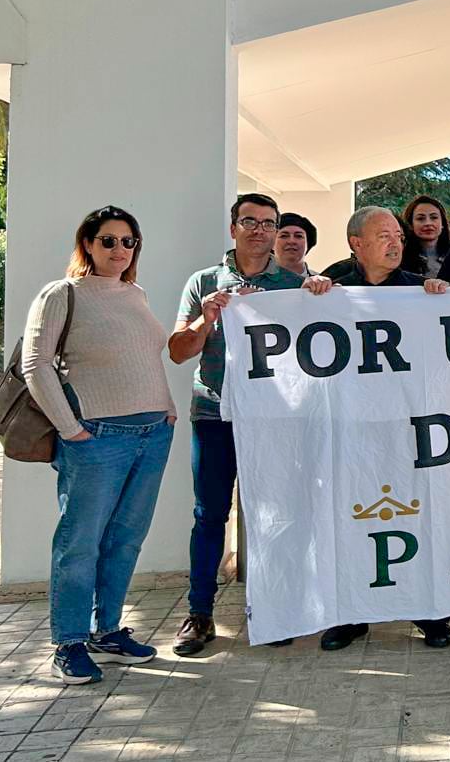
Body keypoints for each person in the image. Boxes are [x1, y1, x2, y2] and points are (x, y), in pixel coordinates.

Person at [25, 207, 177, 684]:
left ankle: (106, 632)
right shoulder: (62, 294)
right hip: (98, 438)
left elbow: (144, 357)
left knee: (125, 539)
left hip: (153, 435)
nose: (119, 249)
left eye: (128, 241)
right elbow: (36, 363)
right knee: (80, 543)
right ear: (87, 244)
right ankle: (69, 642)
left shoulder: (135, 293)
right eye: (108, 240)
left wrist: (168, 406)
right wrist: (70, 429)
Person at [296, 207, 450, 651]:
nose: (395, 242)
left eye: (397, 236)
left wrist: (442, 298)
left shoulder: (417, 289)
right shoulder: (332, 287)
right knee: (350, 517)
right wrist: (308, 296)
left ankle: (428, 610)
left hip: (408, 427)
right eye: (383, 235)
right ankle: (352, 613)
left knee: (419, 515)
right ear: (356, 243)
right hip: (350, 430)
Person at [167, 193, 304, 657]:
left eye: (268, 223)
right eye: (250, 221)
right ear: (233, 228)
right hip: (214, 414)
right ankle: (199, 613)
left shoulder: (291, 284)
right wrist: (205, 320)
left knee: (273, 514)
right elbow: (178, 351)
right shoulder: (204, 282)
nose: (260, 230)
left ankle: (273, 608)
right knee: (209, 515)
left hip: (272, 418)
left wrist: (319, 293)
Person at [401, 195, 450, 278]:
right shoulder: (399, 259)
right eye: (420, 218)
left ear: (443, 224)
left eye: (434, 217)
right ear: (411, 224)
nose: (428, 223)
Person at [274, 213, 317, 278]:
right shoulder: (258, 282)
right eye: (284, 236)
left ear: (307, 243)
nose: (291, 241)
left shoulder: (324, 283)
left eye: (299, 236)